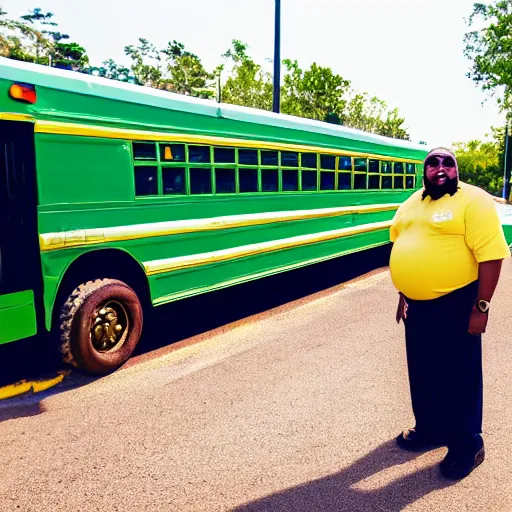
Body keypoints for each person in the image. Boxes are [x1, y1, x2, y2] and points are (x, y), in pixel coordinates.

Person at [389, 147, 510, 480]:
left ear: (456, 170)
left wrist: (481, 307)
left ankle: (467, 444)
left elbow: (492, 256)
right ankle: (430, 429)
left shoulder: (474, 201)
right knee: (423, 371)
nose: (439, 168)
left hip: (458, 302)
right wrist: (405, 292)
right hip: (418, 305)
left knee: (460, 376)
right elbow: (402, 244)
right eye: (432, 163)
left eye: (447, 163)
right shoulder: (412, 203)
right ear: (424, 171)